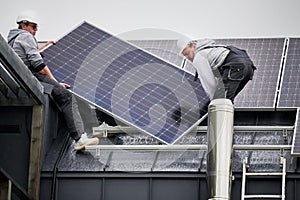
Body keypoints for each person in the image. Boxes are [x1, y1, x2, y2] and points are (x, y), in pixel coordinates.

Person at [7, 12, 99, 151]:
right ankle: (80, 138)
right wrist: (55, 82)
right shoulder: (26, 36)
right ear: (23, 25)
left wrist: (43, 47)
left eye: (36, 27)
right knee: (66, 96)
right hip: (32, 76)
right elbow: (38, 64)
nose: (35, 30)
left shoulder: (13, 39)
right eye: (33, 26)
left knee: (58, 93)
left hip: (19, 79)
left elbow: (25, 55)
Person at [177, 37, 256, 103]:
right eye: (185, 56)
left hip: (235, 67)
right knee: (227, 101)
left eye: (187, 53)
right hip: (248, 68)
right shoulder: (212, 49)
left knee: (221, 101)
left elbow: (211, 85)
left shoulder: (199, 57)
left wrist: (213, 102)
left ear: (193, 46)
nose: (188, 58)